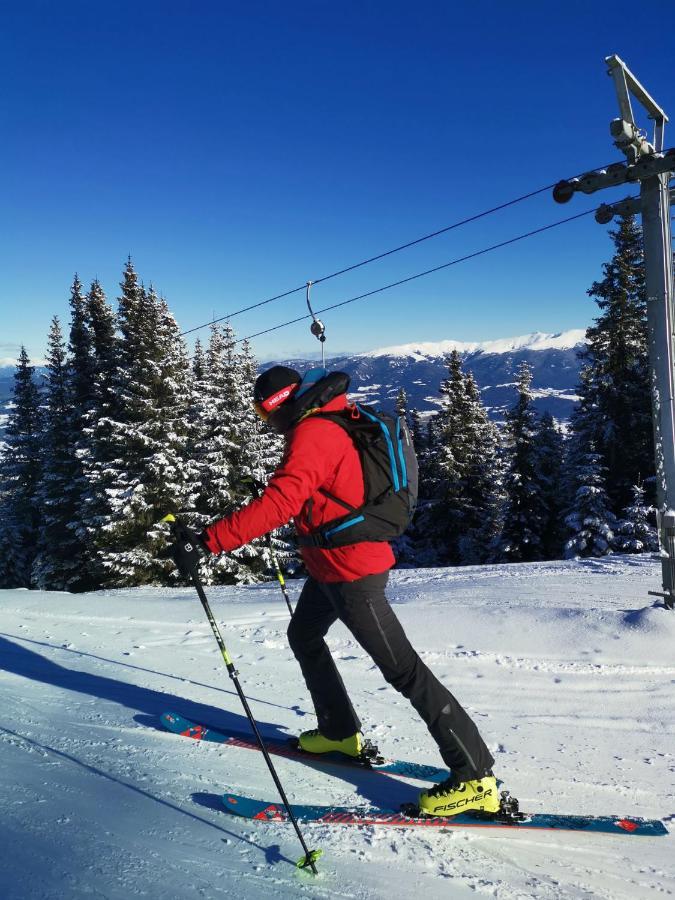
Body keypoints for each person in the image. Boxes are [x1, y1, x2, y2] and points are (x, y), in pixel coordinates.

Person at [174, 365, 499, 817]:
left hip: (352, 573)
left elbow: (283, 502)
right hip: (327, 566)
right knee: (303, 636)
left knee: (404, 671)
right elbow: (321, 488)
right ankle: (340, 732)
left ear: (279, 405)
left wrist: (210, 541)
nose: (267, 424)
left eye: (265, 414)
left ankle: (476, 777)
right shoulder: (332, 418)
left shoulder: (314, 432)